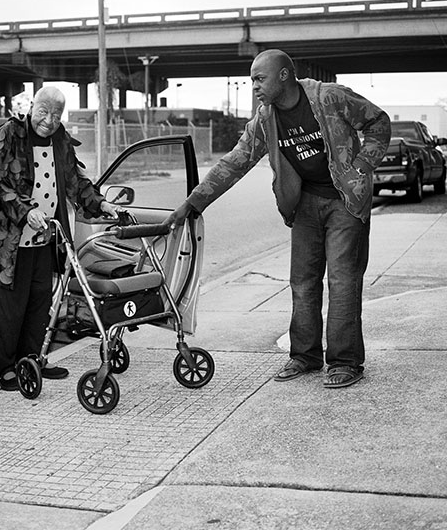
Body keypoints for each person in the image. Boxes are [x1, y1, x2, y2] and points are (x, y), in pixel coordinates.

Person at [165, 49, 391, 389]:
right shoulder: (265, 119)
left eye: (259, 78)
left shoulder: (328, 97)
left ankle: (345, 361)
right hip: (304, 204)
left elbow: (378, 122)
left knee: (342, 281)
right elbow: (235, 161)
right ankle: (305, 355)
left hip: (345, 202)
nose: (254, 85)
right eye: (252, 79)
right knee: (302, 282)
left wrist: (361, 167)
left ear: (284, 75)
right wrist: (194, 203)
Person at [0, 86, 123, 391]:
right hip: (8, 238)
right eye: (44, 111)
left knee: (40, 300)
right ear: (31, 106)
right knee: (10, 305)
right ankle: (6, 366)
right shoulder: (9, 134)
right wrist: (26, 212)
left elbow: (75, 181)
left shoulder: (60, 139)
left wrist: (103, 203)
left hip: (44, 236)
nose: (49, 120)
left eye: (56, 114)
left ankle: (34, 359)